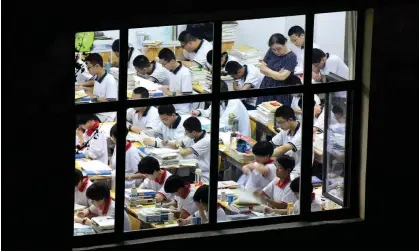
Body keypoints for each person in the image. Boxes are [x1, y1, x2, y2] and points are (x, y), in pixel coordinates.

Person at [256, 33, 298, 106]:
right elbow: (261, 68)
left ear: (284, 43)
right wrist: (277, 74)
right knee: (262, 110)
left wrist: (268, 70)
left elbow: (282, 77)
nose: (276, 52)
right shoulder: (271, 50)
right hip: (266, 85)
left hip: (281, 89)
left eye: (279, 49)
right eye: (273, 49)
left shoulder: (291, 56)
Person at [270, 106, 302, 179]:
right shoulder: (286, 130)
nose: (280, 126)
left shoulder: (301, 133)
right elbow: (271, 144)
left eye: (281, 122)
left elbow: (283, 149)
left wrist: (264, 154)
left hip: (297, 170)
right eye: (278, 123)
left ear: (290, 120)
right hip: (286, 165)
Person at [157, 48, 193, 114]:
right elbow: (177, 87)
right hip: (172, 107)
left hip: (181, 111)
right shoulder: (172, 71)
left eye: (164, 64)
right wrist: (168, 87)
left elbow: (187, 97)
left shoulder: (185, 73)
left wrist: (169, 92)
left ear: (172, 61)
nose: (163, 66)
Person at [109, 123, 142, 188]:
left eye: (113, 138)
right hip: (114, 176)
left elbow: (139, 173)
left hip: (129, 184)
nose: (112, 140)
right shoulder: (117, 146)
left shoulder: (132, 152)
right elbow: (113, 163)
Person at [178, 117, 211, 182]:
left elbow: (183, 152)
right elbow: (179, 143)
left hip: (203, 174)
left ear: (194, 132)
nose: (185, 134)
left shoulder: (206, 140)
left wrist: (179, 146)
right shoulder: (193, 137)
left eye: (186, 132)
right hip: (193, 171)